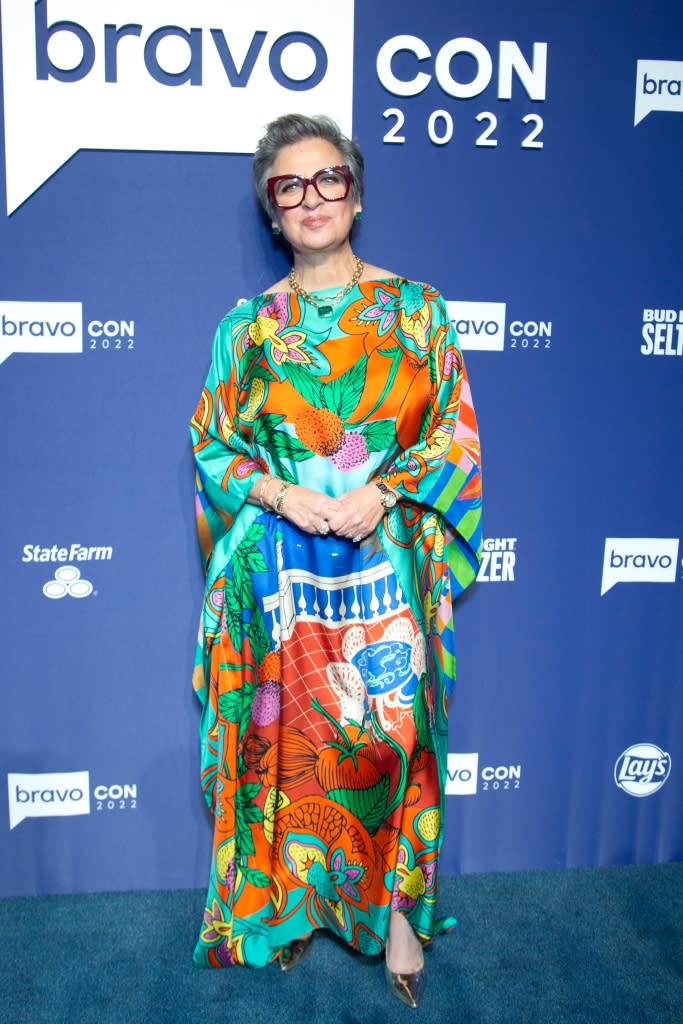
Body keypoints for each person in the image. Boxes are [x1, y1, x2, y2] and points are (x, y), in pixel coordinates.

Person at [189, 113, 482, 1007]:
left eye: (328, 181)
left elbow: (454, 437)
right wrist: (283, 494)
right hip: (277, 576)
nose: (311, 199)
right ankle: (280, 910)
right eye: (290, 186)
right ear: (270, 209)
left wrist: (383, 492)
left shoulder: (417, 310)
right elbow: (212, 444)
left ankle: (398, 920)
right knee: (283, 742)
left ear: (354, 193)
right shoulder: (245, 328)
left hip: (382, 564)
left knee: (392, 738)